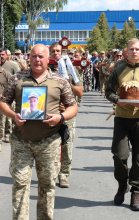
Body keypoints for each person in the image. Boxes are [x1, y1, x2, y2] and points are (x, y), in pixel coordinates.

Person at [0, 44, 78, 220]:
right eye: (34, 56)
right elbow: (3, 103)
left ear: (48, 58)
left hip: (49, 142)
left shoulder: (59, 80)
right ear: (29, 57)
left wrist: (61, 118)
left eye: (41, 56)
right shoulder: (17, 78)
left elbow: (73, 106)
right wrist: (13, 115)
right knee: (20, 184)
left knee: (48, 185)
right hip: (21, 141)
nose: (37, 60)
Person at [106, 38, 139, 211]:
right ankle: (122, 185)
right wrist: (117, 101)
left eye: (137, 49)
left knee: (138, 157)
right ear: (126, 51)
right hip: (121, 118)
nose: (134, 52)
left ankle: (136, 191)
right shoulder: (118, 70)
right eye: (131, 49)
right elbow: (109, 91)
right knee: (119, 156)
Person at [48, 42, 83, 188]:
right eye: (53, 51)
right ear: (49, 53)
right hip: (50, 113)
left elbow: (80, 92)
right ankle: (50, 174)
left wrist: (69, 84)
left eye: (58, 51)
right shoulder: (46, 69)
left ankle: (64, 175)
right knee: (49, 145)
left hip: (68, 113)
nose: (56, 53)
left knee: (67, 144)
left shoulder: (71, 69)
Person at [0, 48, 20, 142]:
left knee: (9, 116)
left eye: (3, 54)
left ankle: (8, 134)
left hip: (10, 95)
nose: (1, 56)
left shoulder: (13, 65)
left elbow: (19, 78)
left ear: (7, 55)